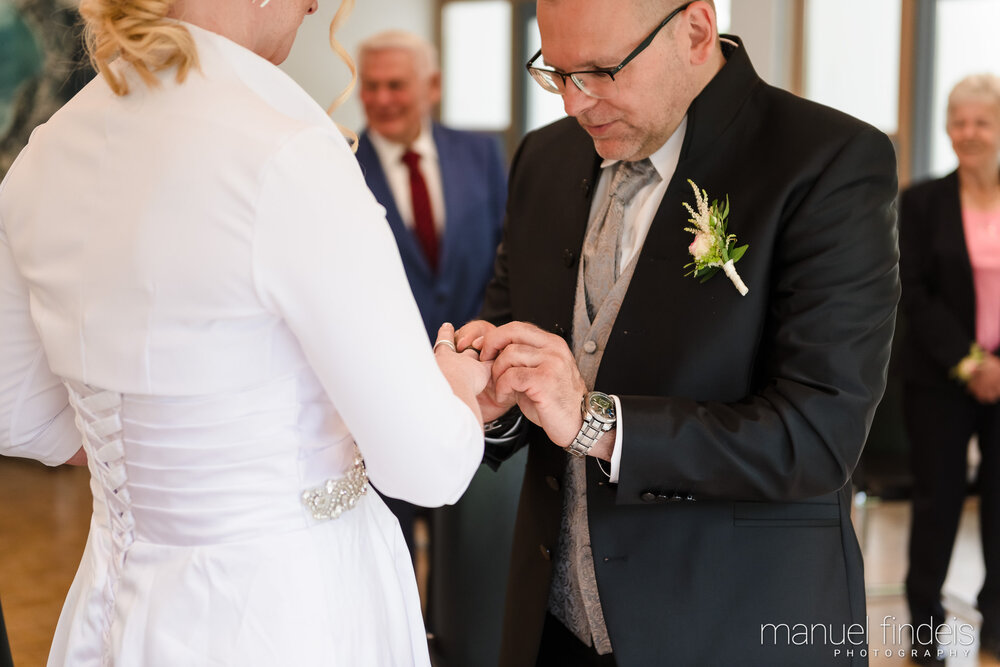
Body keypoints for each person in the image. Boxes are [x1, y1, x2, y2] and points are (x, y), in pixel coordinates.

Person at [0, 0, 489, 665]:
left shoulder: (45, 153)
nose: (317, 4)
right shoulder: (285, 148)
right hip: (286, 607)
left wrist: (157, 462)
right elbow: (426, 463)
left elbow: (15, 411)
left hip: (113, 601)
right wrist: (457, 387)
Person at [454, 0, 900, 665]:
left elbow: (816, 437)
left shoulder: (827, 162)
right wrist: (485, 397)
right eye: (558, 72)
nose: (576, 103)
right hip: (553, 624)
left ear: (694, 30)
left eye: (602, 71)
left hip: (730, 626)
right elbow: (513, 339)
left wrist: (595, 421)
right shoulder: (542, 160)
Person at [354, 29, 506, 556]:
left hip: (476, 390)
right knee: (387, 546)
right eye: (369, 86)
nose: (380, 99)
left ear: (432, 86)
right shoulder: (340, 166)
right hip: (382, 398)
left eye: (395, 84)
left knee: (470, 556)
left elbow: (505, 259)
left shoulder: (482, 155)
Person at [899, 73, 1000, 665]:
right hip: (940, 378)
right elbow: (914, 292)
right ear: (947, 128)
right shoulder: (921, 201)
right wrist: (969, 361)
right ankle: (925, 630)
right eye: (959, 121)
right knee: (937, 503)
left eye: (981, 121)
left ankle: (996, 620)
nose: (969, 132)